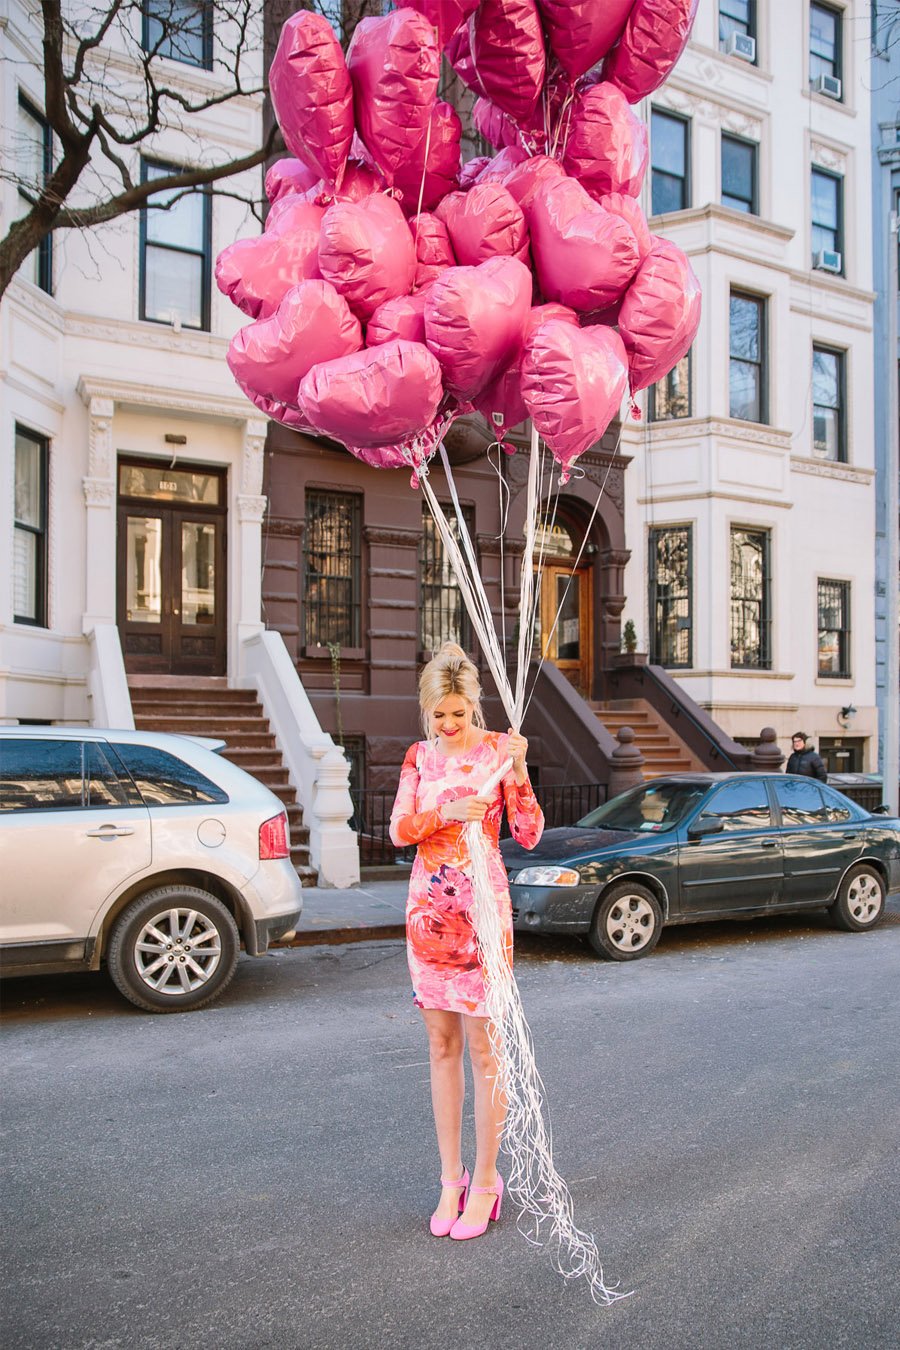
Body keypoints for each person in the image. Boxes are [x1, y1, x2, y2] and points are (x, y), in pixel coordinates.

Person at [389, 642, 544, 1241]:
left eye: (458, 713)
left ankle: (486, 1181)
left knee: (484, 1048)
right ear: (427, 711)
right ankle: (449, 1179)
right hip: (429, 912)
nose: (450, 725)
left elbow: (529, 834)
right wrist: (449, 809)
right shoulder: (418, 758)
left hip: (482, 912)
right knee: (440, 1043)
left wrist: (522, 773)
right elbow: (399, 830)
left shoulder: (498, 752)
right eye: (439, 715)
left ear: (473, 704)